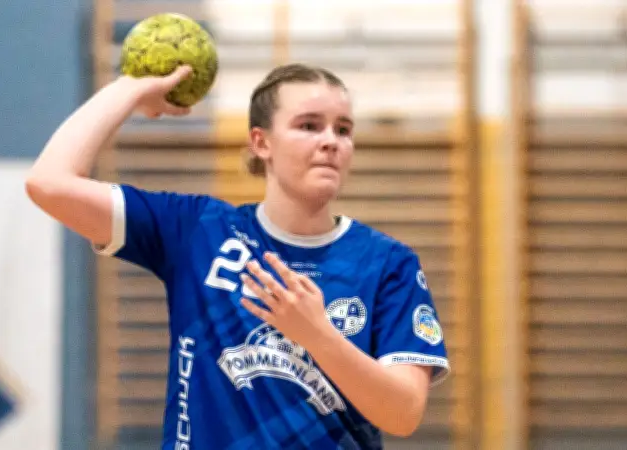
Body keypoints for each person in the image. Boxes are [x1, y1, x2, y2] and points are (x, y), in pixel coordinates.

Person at [26, 62, 450, 449]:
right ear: (261, 142)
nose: (330, 142)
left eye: (343, 129)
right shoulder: (197, 230)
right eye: (308, 125)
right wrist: (129, 90)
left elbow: (404, 413)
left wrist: (317, 334)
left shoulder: (387, 263)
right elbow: (49, 182)